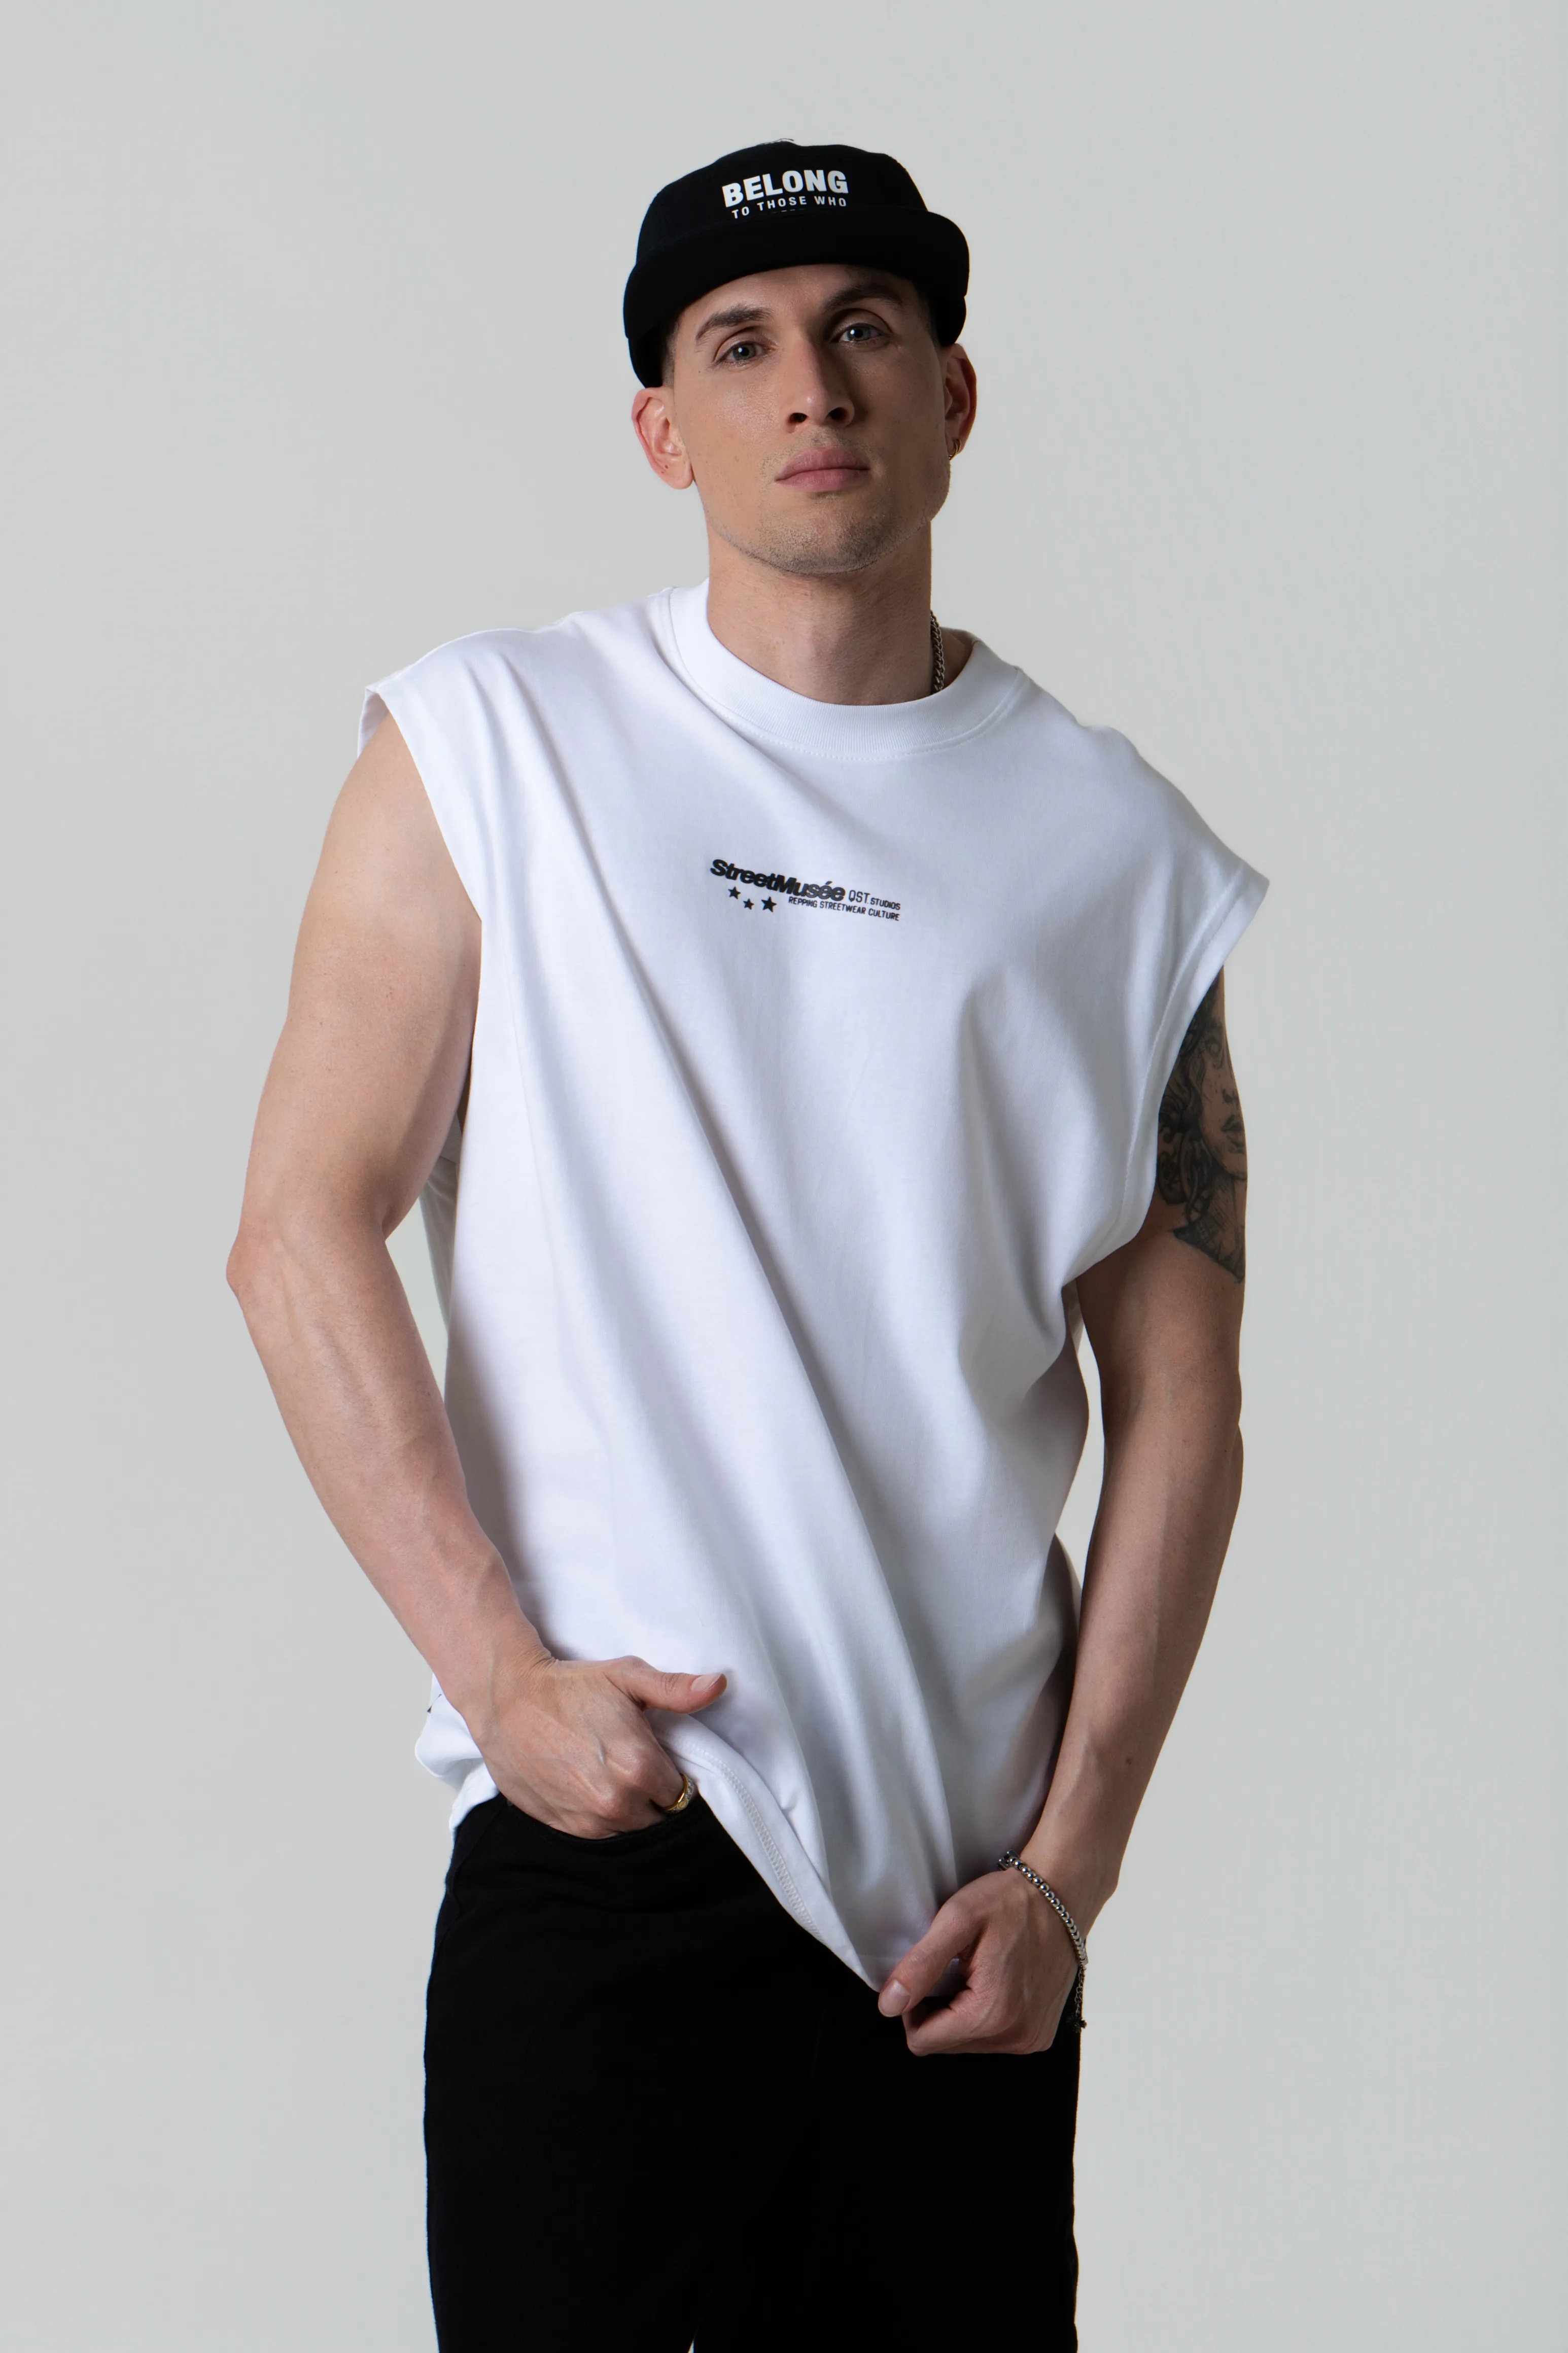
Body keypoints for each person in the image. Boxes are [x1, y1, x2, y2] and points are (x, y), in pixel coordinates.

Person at [228, 139, 1266, 2352]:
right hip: (620, 1838)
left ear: (951, 397)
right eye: (742, 341)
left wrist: (1068, 1873)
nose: (812, 381)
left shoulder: (1118, 856)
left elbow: (1182, 1396)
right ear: (663, 429)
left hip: (958, 1922)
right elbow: (298, 1230)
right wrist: (500, 1680)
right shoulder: (489, 747)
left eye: (866, 326)